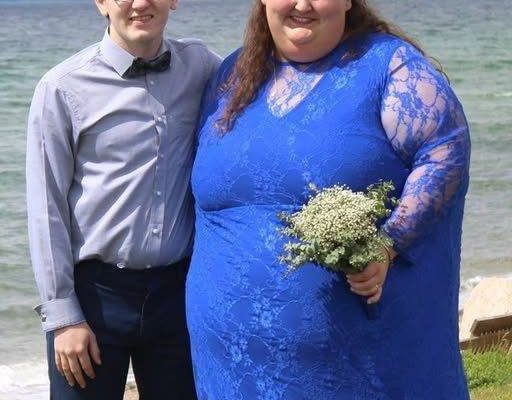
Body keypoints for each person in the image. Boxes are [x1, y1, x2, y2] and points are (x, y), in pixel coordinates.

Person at [186, 0, 470, 398]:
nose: (302, 5)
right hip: (228, 370)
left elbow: (445, 151)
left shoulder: (390, 68)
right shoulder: (231, 75)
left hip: (354, 371)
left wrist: (388, 243)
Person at [26, 0, 220, 398]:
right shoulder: (61, 87)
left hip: (178, 297)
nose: (140, 4)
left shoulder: (202, 66)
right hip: (93, 299)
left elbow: (259, 89)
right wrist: (63, 317)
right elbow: (46, 209)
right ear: (101, 3)